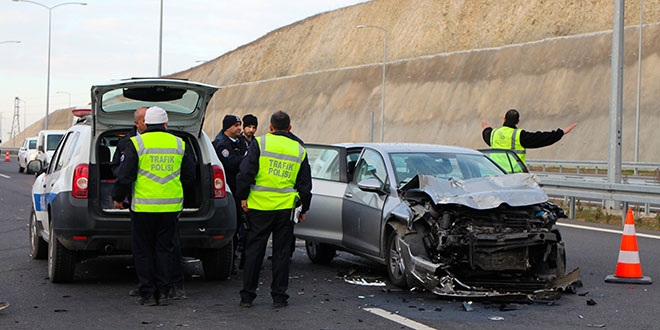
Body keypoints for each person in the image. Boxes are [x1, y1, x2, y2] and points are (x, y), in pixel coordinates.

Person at [112, 106, 196, 306]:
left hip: (143, 207)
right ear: (166, 124)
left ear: (146, 123)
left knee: (143, 251)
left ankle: (148, 294)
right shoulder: (180, 143)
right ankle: (165, 292)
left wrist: (118, 197)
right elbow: (190, 176)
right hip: (170, 207)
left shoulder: (136, 143)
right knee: (165, 250)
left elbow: (125, 175)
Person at [236, 110, 312, 308]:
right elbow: (305, 185)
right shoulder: (298, 149)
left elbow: (245, 172)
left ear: (270, 127)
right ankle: (279, 297)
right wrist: (303, 208)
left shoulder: (260, 144)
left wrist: (242, 197)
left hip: (259, 207)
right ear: (289, 128)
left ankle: (247, 297)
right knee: (281, 253)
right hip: (285, 210)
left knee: (254, 251)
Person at [481, 109, 577, 170]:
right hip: (514, 176)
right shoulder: (519, 135)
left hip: (496, 173)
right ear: (518, 121)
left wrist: (486, 127)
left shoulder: (493, 134)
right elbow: (541, 138)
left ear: (504, 119)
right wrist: (561, 132)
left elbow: (486, 133)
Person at [213, 114, 250, 271]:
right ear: (227, 127)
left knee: (247, 226)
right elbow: (230, 163)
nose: (239, 128)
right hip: (232, 189)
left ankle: (246, 261)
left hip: (244, 189)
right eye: (235, 125)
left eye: (239, 124)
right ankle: (232, 260)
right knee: (233, 227)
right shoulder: (222, 145)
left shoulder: (242, 142)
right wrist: (246, 159)